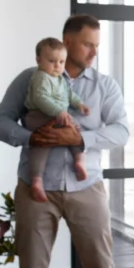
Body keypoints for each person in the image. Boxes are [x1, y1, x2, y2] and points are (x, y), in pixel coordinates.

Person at [0, 14, 129, 268]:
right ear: (67, 41)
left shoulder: (105, 86)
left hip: (87, 186)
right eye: (88, 45)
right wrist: (32, 138)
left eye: (97, 46)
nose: (94, 52)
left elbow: (121, 132)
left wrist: (78, 139)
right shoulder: (30, 79)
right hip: (35, 190)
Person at [23, 37, 91, 202]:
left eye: (61, 62)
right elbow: (41, 98)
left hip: (55, 116)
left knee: (73, 131)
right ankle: (37, 179)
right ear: (39, 60)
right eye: (52, 61)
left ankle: (79, 160)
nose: (57, 66)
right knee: (44, 140)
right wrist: (59, 112)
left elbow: (69, 94)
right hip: (38, 115)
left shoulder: (60, 79)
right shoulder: (41, 77)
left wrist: (79, 104)